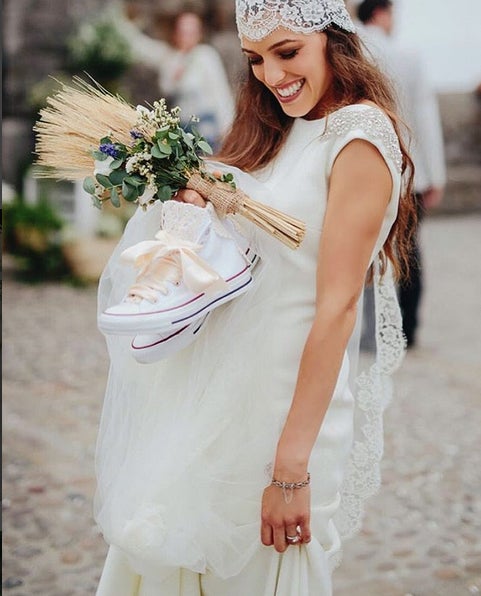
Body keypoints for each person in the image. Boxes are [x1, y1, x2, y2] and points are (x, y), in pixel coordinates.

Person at [95, 0, 416, 594]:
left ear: (331, 39)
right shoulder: (282, 125)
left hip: (288, 400)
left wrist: (291, 469)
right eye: (255, 60)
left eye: (287, 52)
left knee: (258, 569)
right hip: (226, 386)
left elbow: (339, 307)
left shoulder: (361, 136)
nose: (271, 75)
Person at [355, 0, 446, 347]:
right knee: (408, 252)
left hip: (362, 170)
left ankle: (365, 331)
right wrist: (434, 175)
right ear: (381, 14)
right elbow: (425, 118)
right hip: (409, 173)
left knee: (361, 249)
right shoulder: (408, 56)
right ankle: (406, 329)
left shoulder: (352, 49)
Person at [114, 3, 235, 151]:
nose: (188, 36)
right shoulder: (172, 57)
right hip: (183, 130)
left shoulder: (206, 55)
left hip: (207, 130)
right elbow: (143, 49)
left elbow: (221, 93)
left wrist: (227, 128)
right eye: (184, 31)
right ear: (176, 33)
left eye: (193, 31)